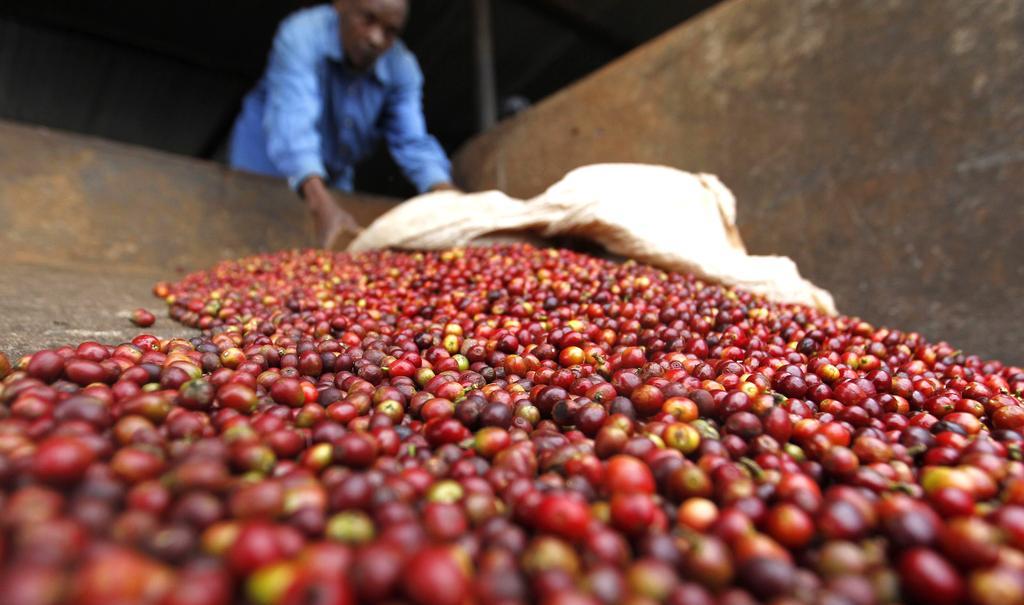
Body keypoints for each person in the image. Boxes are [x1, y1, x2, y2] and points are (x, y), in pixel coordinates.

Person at [229, 0, 455, 248]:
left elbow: (412, 141)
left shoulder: (402, 67)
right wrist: (319, 203)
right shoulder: (302, 35)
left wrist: (449, 197)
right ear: (341, 5)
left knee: (329, 248)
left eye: (390, 31)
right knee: (254, 240)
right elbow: (293, 125)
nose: (376, 39)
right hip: (266, 159)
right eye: (367, 19)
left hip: (334, 169)